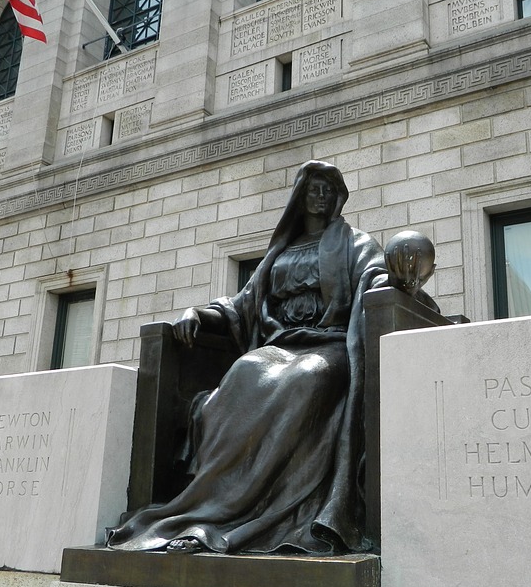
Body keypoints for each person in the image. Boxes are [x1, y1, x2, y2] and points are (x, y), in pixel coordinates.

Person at [106, 160, 432, 555]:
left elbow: (378, 280)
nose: (321, 196)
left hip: (330, 346)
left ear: (338, 199)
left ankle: (257, 510)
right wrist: (199, 314)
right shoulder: (278, 254)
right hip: (280, 345)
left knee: (308, 377)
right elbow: (241, 304)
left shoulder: (355, 243)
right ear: (299, 195)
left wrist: (403, 273)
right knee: (244, 372)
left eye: (329, 190)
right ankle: (213, 505)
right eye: (313, 188)